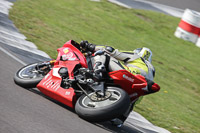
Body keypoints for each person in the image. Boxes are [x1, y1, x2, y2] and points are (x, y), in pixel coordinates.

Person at [79, 40, 156, 127]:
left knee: (104, 54)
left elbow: (112, 51)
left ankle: (97, 71)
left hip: (130, 74)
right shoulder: (151, 72)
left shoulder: (137, 57)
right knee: (132, 101)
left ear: (140, 52)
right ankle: (120, 118)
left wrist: (91, 46)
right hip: (136, 88)